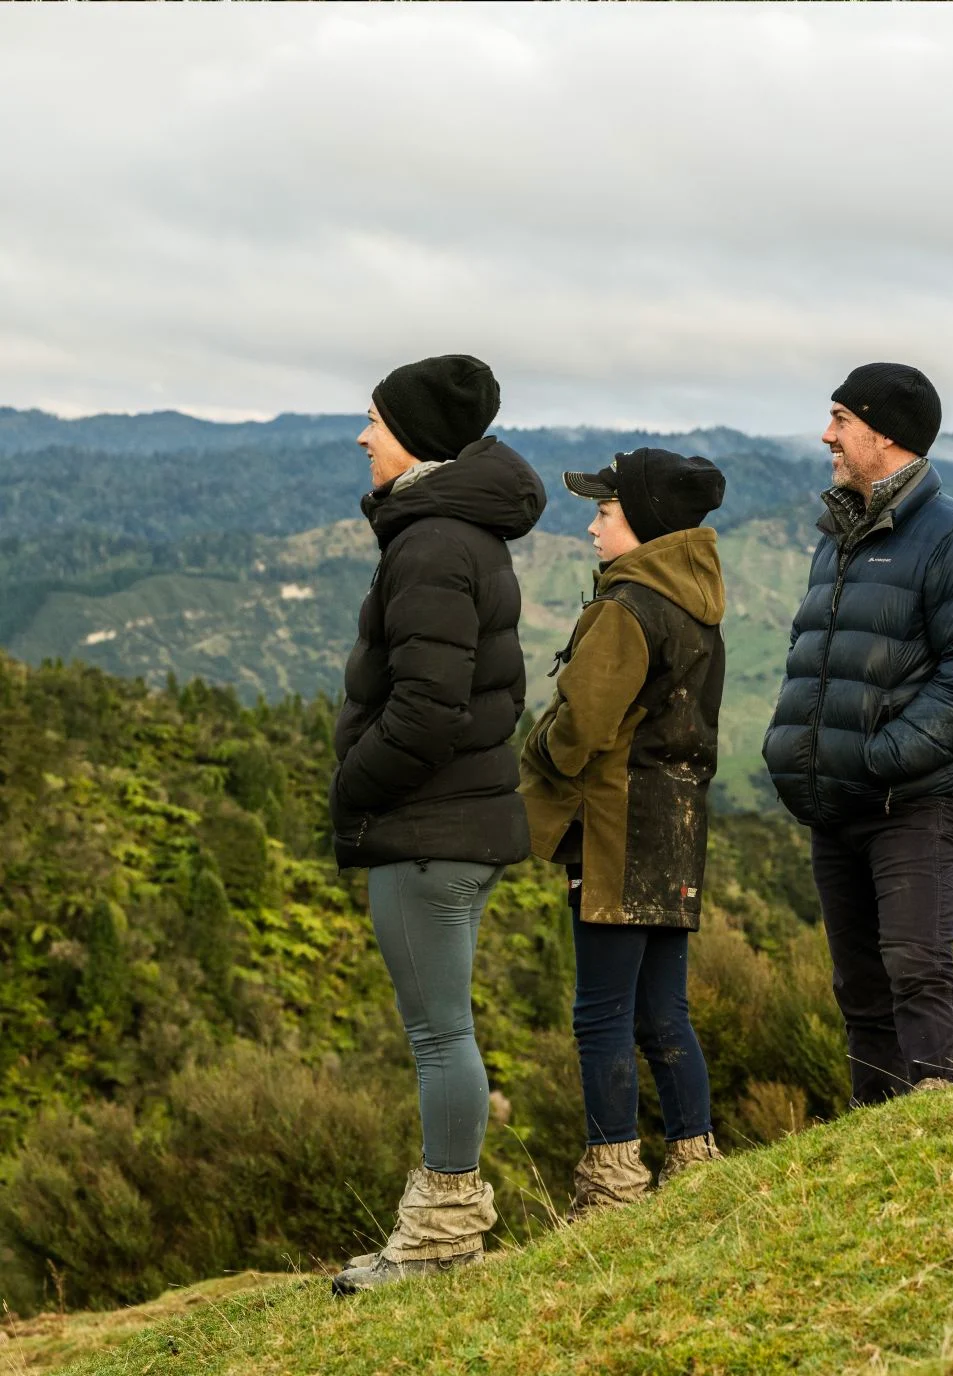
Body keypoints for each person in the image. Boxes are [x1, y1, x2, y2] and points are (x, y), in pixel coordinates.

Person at [328, 355, 546, 1292]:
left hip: (429, 828)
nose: (363, 436)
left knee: (437, 1034)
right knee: (443, 1029)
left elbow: (427, 708)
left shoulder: (428, 543)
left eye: (374, 420)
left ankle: (442, 1234)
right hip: (459, 820)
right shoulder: (460, 534)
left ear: (412, 434)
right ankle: (442, 1229)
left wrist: (353, 787)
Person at [762, 363, 953, 1103]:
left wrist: (885, 758)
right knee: (860, 989)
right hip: (833, 803)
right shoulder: (837, 535)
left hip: (910, 800)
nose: (826, 434)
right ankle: (874, 1141)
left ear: (886, 433)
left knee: (916, 968)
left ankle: (939, 1122)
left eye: (841, 418)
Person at [519, 447, 728, 1213]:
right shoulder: (697, 603)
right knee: (663, 1010)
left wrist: (536, 746)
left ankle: (611, 1181)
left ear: (640, 523)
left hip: (614, 829)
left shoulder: (624, 609)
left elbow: (581, 729)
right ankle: (693, 1156)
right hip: (676, 825)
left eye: (604, 514)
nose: (591, 528)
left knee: (601, 1013)